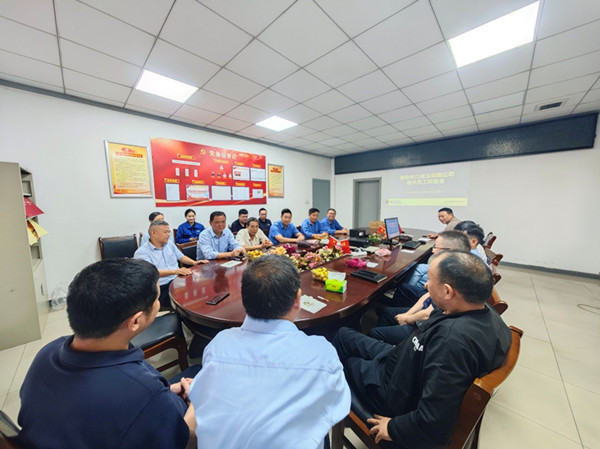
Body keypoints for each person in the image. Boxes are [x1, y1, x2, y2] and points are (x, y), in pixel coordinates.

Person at [333, 251, 512, 449]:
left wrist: (393, 428)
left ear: (447, 291)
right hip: (406, 362)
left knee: (342, 362)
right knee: (343, 335)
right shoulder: (488, 316)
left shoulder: (451, 342)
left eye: (430, 280)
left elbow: (433, 420)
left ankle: (331, 409)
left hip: (393, 391)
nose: (426, 285)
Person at [18, 258, 196, 449]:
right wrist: (198, 400)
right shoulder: (143, 392)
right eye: (156, 300)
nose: (158, 305)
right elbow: (186, 440)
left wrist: (167, 391)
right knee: (197, 371)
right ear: (135, 321)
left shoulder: (48, 352)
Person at [188, 255, 351, 449]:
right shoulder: (322, 353)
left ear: (244, 299)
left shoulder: (218, 345)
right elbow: (336, 407)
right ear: (297, 299)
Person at [135, 220, 207, 308]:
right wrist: (175, 271)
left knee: (200, 291)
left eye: (169, 232)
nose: (168, 234)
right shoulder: (142, 252)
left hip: (178, 281)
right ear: (153, 233)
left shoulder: (169, 243)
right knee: (183, 302)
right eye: (165, 232)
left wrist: (194, 262)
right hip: (161, 287)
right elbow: (152, 272)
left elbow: (181, 257)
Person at [392, 230, 470, 307]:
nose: (433, 251)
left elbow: (432, 303)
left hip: (433, 304)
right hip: (433, 299)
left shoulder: (453, 270)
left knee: (404, 288)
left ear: (450, 250)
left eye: (436, 247)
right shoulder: (460, 262)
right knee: (408, 284)